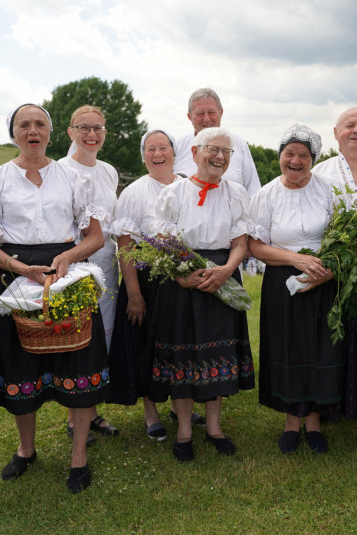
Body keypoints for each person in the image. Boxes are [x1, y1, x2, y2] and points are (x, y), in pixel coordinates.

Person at [0, 103, 109, 493]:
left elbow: (95, 236)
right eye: (24, 124)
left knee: (78, 356)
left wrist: (69, 256)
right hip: (13, 272)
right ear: (12, 132)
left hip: (66, 269)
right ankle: (26, 449)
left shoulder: (75, 178)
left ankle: (79, 456)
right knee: (20, 363)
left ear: (51, 132)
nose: (32, 130)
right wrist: (18, 266)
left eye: (39, 124)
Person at [147, 127, 255, 462]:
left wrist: (226, 270)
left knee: (215, 356)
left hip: (222, 277)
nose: (219, 156)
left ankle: (214, 428)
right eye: (213, 149)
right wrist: (181, 276)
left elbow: (241, 243)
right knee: (184, 356)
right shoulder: (173, 193)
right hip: (183, 280)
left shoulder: (236, 193)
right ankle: (183, 430)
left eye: (226, 151)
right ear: (194, 153)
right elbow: (160, 239)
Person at [248, 124, 344, 454]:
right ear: (280, 157)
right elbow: (256, 246)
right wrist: (296, 259)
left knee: (320, 347)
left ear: (314, 159)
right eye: (289, 154)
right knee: (287, 345)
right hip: (281, 280)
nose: (295, 160)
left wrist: (325, 272)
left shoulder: (330, 191)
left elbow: (346, 239)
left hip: (324, 278)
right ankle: (291, 420)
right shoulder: (266, 195)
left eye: (303, 155)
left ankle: (315, 420)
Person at [107, 129, 182, 440]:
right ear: (143, 156)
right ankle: (151, 413)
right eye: (150, 149)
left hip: (181, 280)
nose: (157, 154)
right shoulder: (134, 192)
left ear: (174, 153)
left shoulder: (187, 187)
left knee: (179, 345)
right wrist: (134, 295)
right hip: (145, 281)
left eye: (162, 147)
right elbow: (125, 247)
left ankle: (181, 405)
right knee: (147, 347)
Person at [59, 105, 120, 443]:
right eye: (84, 128)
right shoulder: (60, 170)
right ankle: (74, 417)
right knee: (79, 339)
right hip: (77, 263)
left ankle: (92, 412)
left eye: (98, 128)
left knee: (101, 338)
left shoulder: (110, 171)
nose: (91, 135)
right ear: (71, 132)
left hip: (107, 262)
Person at [173, 88, 261, 198]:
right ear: (190, 117)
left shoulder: (239, 144)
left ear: (221, 113)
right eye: (200, 113)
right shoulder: (176, 146)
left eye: (211, 112)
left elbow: (253, 193)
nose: (206, 119)